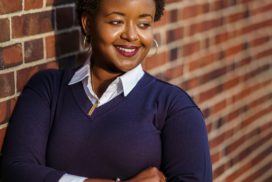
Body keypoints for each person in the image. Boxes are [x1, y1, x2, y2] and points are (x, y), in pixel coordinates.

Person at [1, 0, 212, 181]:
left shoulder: (175, 107)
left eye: (144, 24)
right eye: (116, 21)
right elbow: (15, 171)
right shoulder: (48, 88)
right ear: (88, 23)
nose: (131, 35)